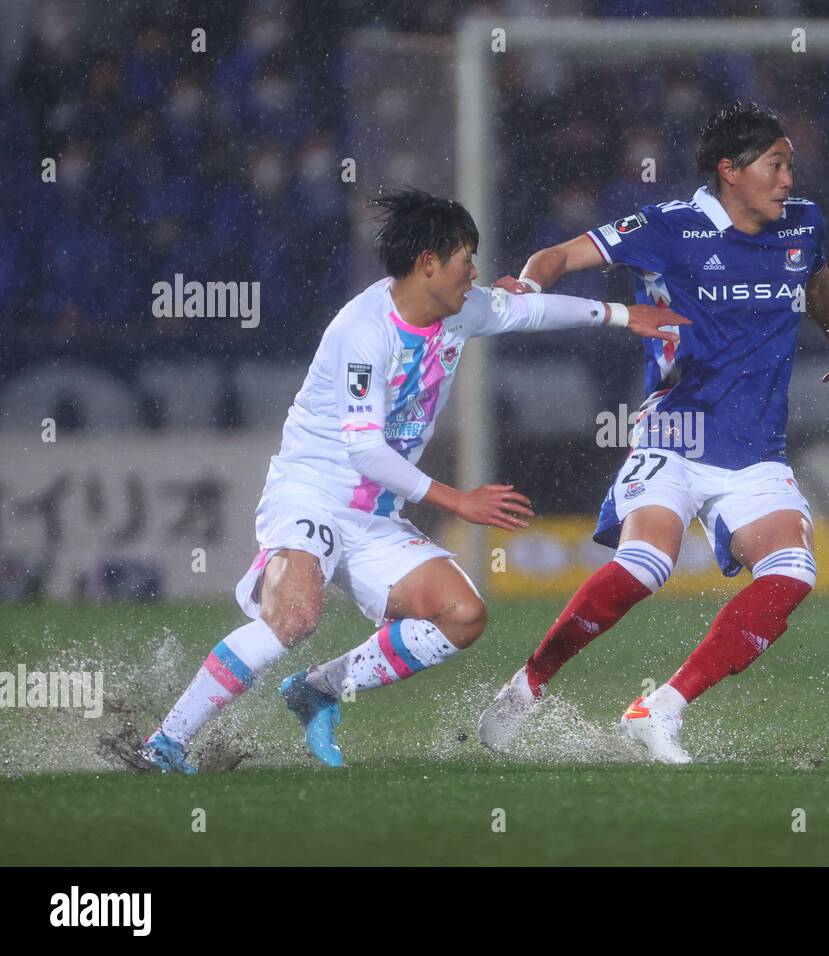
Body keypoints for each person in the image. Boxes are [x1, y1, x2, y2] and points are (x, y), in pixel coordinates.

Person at [129, 189, 686, 772]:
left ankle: (318, 689)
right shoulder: (364, 332)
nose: (475, 273)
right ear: (427, 263)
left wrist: (625, 317)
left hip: (375, 514)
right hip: (312, 495)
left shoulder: (461, 308)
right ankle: (165, 743)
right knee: (293, 617)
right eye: (465, 259)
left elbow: (530, 311)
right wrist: (456, 501)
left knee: (462, 616)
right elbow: (363, 447)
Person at [479, 102, 829, 763]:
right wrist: (528, 287)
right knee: (646, 565)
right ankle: (530, 682)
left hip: (754, 449)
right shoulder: (669, 227)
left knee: (793, 571)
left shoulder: (805, 224)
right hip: (674, 434)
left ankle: (659, 708)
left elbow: (817, 277)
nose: (789, 179)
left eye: (791, 164)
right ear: (730, 171)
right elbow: (562, 254)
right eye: (776, 165)